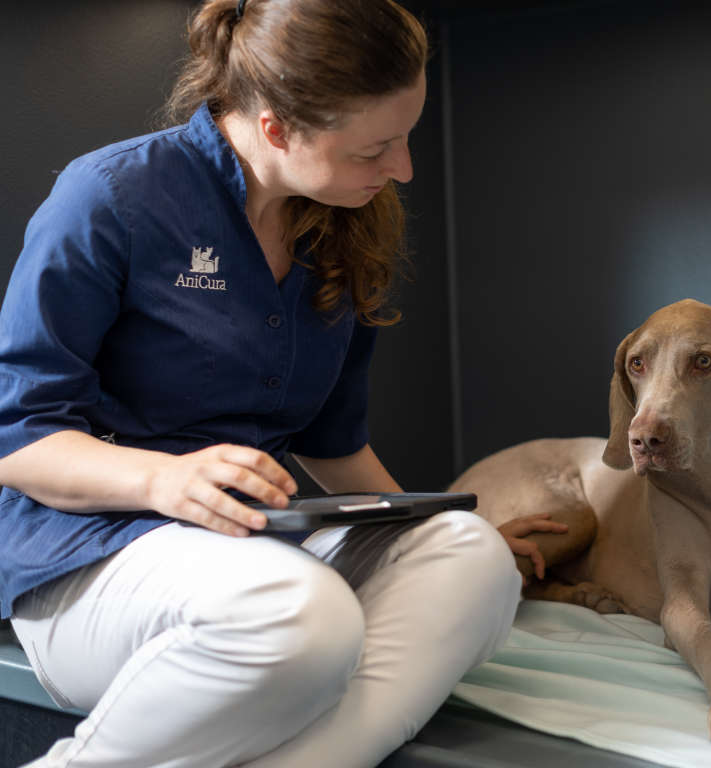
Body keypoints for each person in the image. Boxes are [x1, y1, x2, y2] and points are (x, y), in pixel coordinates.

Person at [0, 1, 564, 766]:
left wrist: (423, 527)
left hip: (254, 555)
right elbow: (19, 440)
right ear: (276, 128)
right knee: (305, 619)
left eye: (406, 137)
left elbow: (334, 444)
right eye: (376, 148)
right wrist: (165, 481)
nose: (401, 169)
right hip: (88, 559)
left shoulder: (344, 221)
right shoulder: (112, 197)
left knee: (471, 555)